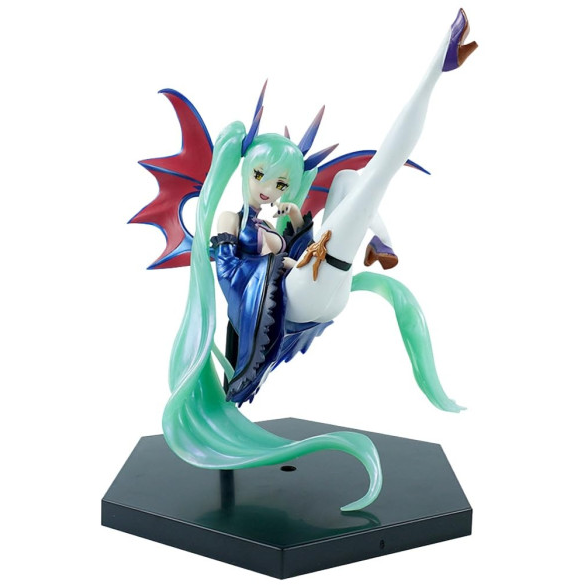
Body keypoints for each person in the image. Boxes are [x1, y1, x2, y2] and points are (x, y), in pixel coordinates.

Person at [137, 9, 477, 511]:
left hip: (314, 291)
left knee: (352, 181)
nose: (269, 190)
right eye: (262, 177)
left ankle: (382, 242)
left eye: (281, 183)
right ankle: (435, 68)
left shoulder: (280, 217)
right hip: (285, 307)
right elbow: (229, 281)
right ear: (246, 172)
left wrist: (292, 233)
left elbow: (292, 254)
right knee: (378, 173)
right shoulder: (230, 218)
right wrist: (272, 256)